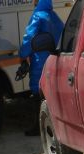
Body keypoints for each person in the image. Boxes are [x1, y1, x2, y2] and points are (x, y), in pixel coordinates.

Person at [17, 0, 64, 136]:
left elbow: (29, 38)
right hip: (54, 60)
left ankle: (39, 127)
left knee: (37, 93)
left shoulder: (38, 16)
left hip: (40, 62)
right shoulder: (54, 16)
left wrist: (22, 55)